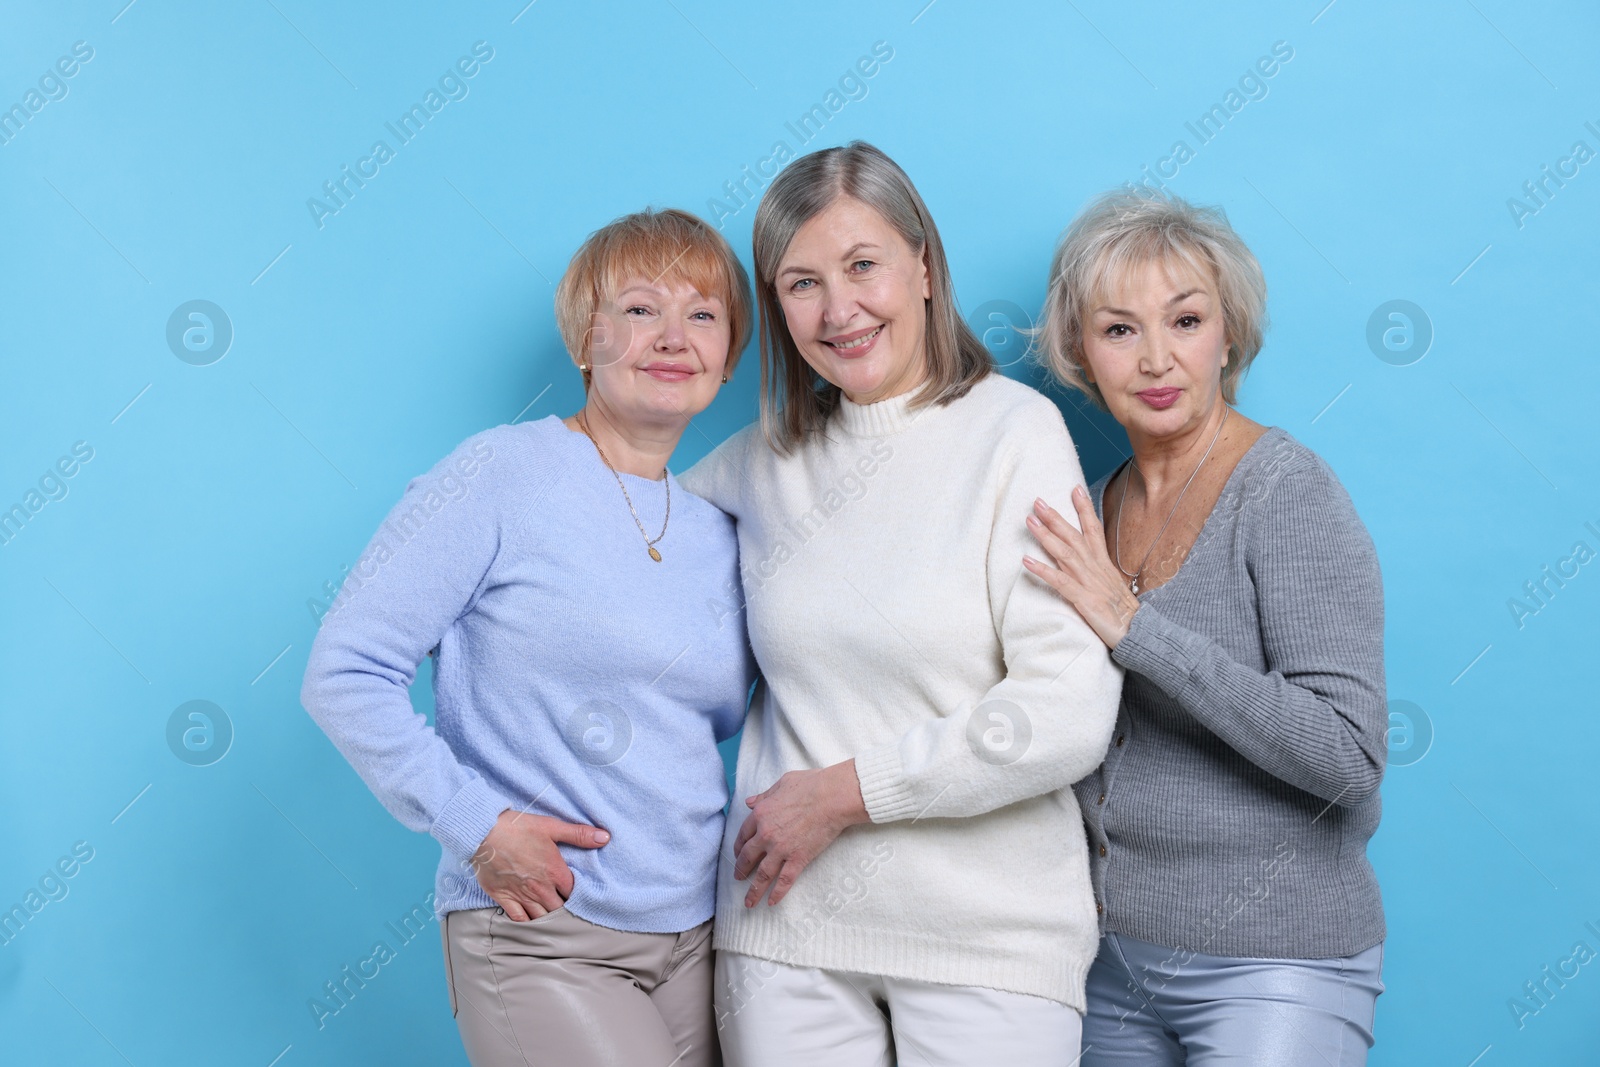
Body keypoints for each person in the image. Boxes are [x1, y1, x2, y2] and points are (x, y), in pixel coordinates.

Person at [680, 141, 1123, 1066]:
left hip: (987, 942)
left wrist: (845, 794)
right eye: (801, 283)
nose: (839, 310)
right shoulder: (761, 462)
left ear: (924, 266)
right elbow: (614, 529)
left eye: (862, 265)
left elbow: (1067, 712)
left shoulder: (1013, 435)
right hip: (783, 933)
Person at [299, 207, 757, 1067]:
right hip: (542, 930)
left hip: (701, 934)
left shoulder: (720, 527)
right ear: (586, 336)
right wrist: (478, 825)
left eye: (702, 315)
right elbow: (345, 670)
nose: (671, 336)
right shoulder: (499, 472)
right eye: (638, 309)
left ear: (729, 358)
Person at [1023, 189, 1387, 1065]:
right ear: (1080, 349)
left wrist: (1135, 627)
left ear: (1229, 334)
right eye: (1119, 330)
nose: (1157, 359)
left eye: (1185, 320)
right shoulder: (1094, 505)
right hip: (1107, 963)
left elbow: (1349, 755)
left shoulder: (1287, 491)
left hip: (1276, 959)